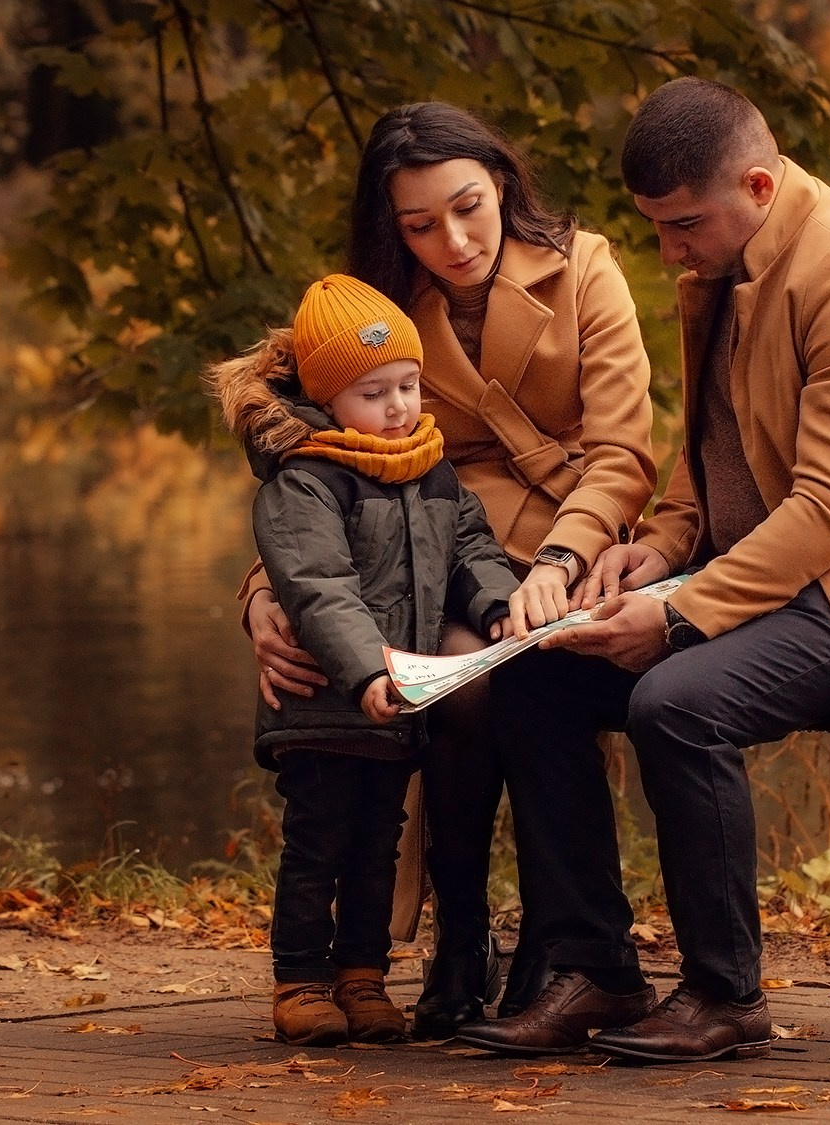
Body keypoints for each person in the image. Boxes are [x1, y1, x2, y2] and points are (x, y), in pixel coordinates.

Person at [463, 78, 830, 1063]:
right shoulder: (720, 267)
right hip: (753, 578)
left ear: (758, 183)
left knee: (675, 702)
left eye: (683, 224)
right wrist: (650, 550)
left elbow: (828, 510)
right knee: (530, 670)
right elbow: (713, 458)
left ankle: (724, 993)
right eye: (654, 228)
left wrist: (675, 616)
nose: (669, 252)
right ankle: (596, 966)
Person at [241, 103, 657, 1038]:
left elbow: (625, 451)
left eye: (468, 207)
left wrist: (560, 555)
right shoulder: (373, 309)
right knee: (460, 689)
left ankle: (557, 945)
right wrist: (261, 596)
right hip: (424, 550)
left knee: (523, 671)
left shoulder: (585, 267)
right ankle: (462, 939)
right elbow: (314, 468)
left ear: (502, 183)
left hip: (568, 541)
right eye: (419, 225)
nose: (453, 240)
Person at [208, 273, 525, 1046]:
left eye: (408, 386)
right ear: (326, 400)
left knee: (378, 843)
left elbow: (471, 551)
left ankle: (364, 976)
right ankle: (300, 979)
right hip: (328, 700)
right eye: (372, 393)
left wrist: (499, 606)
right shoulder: (307, 482)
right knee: (318, 841)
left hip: (396, 704)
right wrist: (368, 670)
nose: (398, 408)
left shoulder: (430, 469)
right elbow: (318, 587)